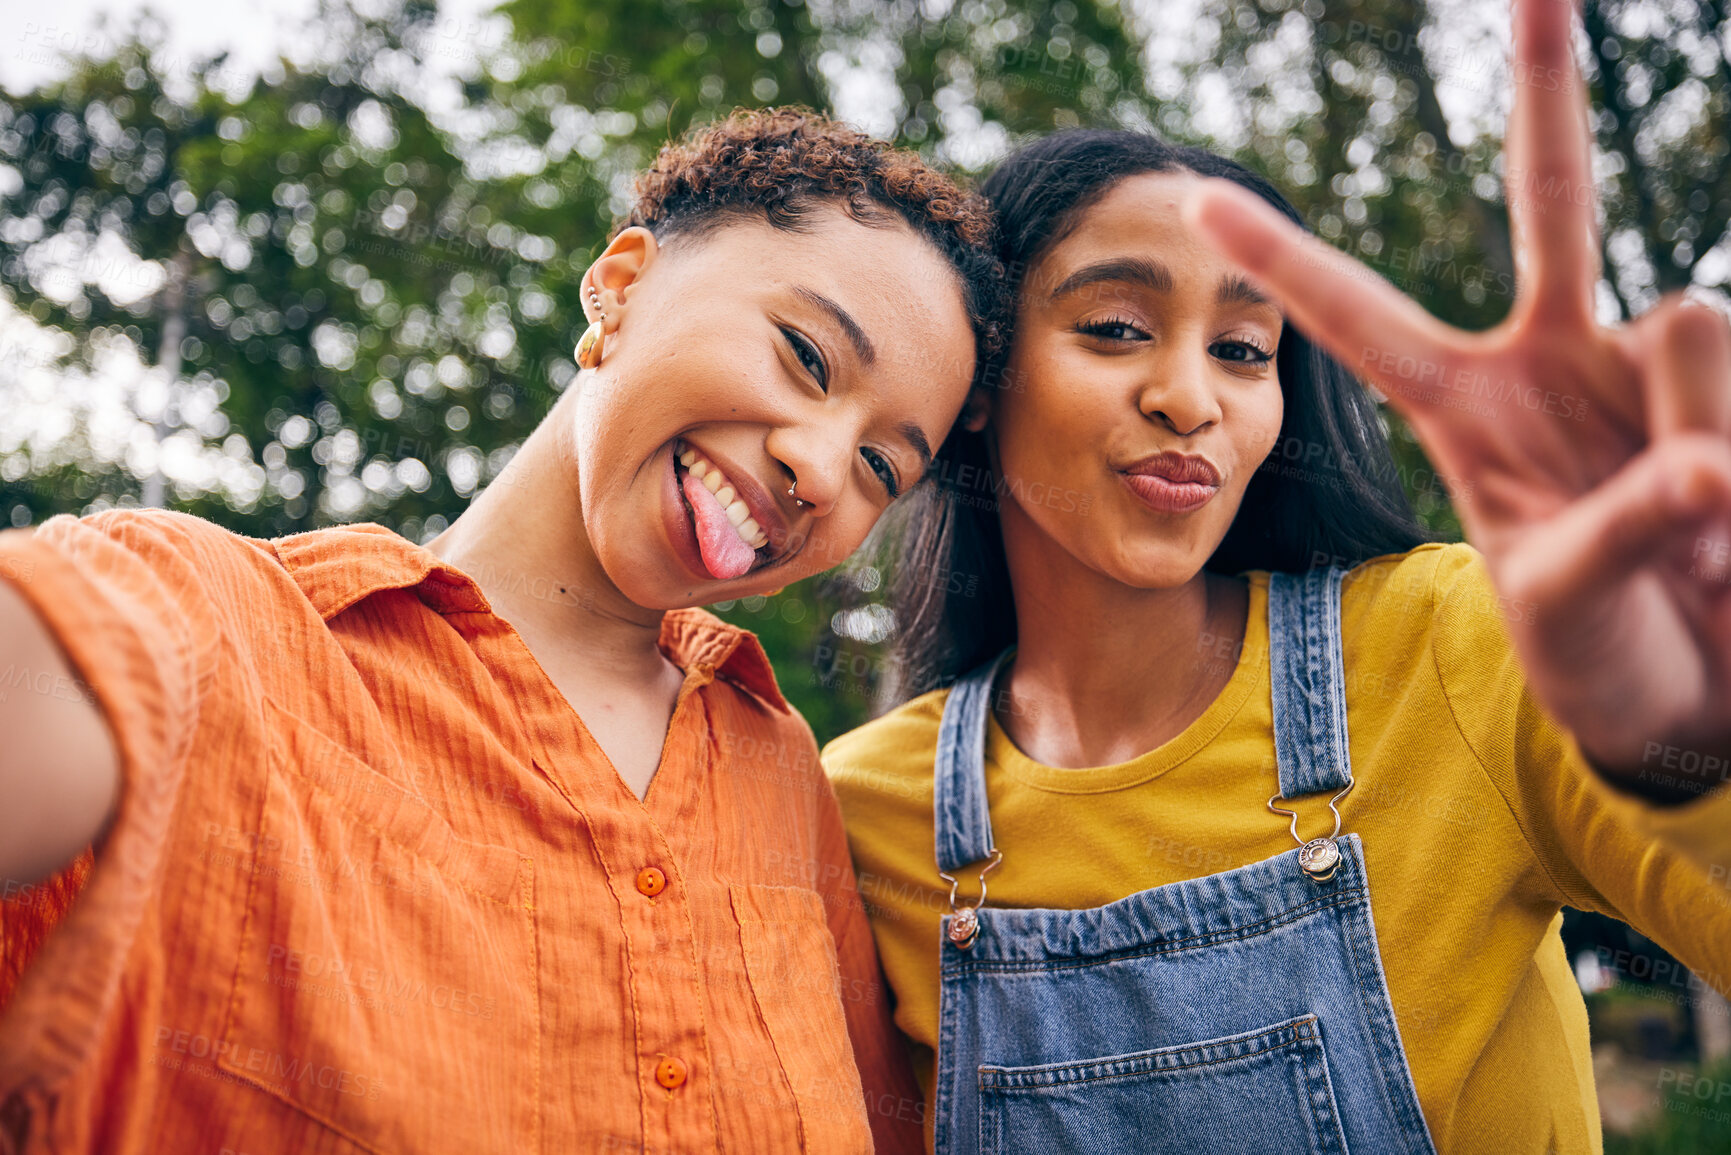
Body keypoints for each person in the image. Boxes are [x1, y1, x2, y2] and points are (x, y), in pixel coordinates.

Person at [0, 107, 1008, 1153]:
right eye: (805, 354)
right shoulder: (209, 622)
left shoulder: (787, 777)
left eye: (884, 469)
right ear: (619, 287)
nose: (820, 468)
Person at [821, 0, 1731, 1150]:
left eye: (1245, 351)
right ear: (978, 377)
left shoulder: (1452, 644)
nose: (1191, 398)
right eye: (1113, 326)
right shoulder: (859, 812)